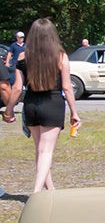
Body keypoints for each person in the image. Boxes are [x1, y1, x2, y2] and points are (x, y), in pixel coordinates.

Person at [4, 18, 81, 193]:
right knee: (45, 152)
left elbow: (17, 88)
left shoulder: (23, 56)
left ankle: (51, 190)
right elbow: (67, 87)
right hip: (52, 104)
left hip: (31, 104)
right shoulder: (61, 57)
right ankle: (37, 192)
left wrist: (9, 109)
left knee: (40, 151)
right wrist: (74, 112)